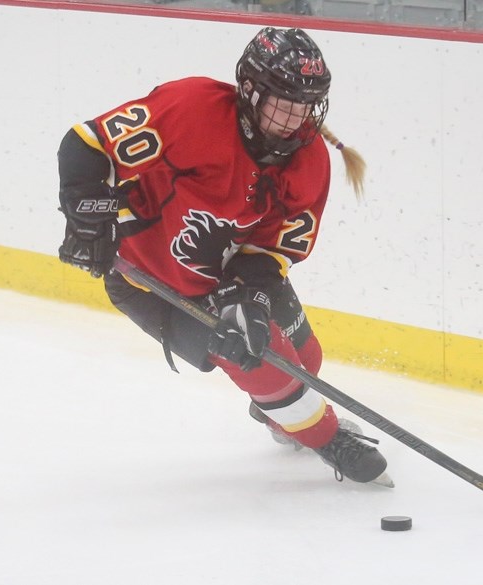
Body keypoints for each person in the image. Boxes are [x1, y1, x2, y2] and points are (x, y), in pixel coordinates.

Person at [56, 27, 391, 486]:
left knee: (305, 360)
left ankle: (281, 414)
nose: (296, 118)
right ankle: (327, 439)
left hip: (231, 272)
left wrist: (247, 296)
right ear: (251, 90)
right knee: (263, 356)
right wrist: (89, 221)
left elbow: (271, 249)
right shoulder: (191, 109)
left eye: (305, 104)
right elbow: (87, 145)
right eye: (284, 102)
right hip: (154, 281)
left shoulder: (310, 160)